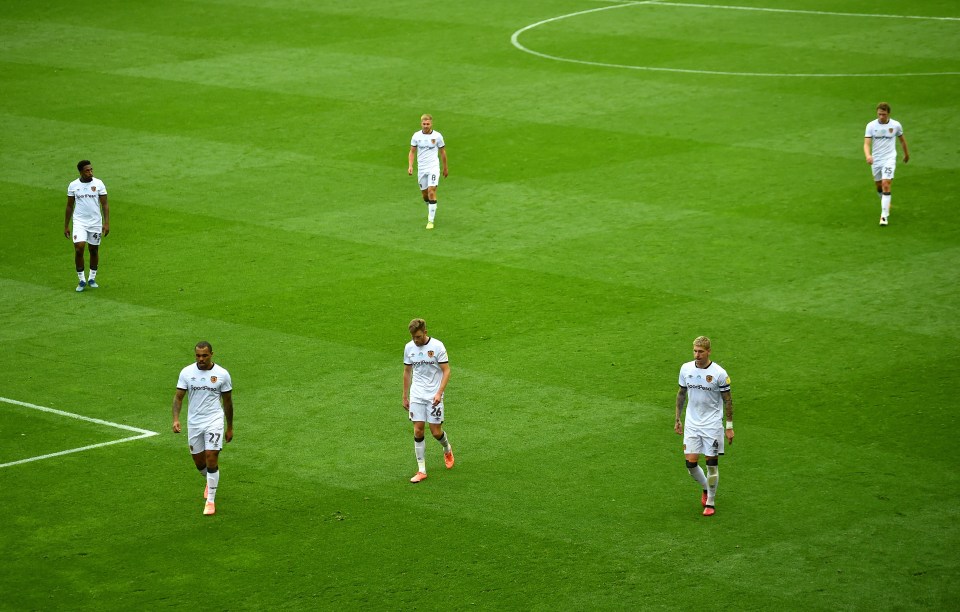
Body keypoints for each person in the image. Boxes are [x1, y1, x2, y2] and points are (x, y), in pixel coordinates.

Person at [172, 341, 234, 515]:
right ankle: (209, 480)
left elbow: (228, 402)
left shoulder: (222, 374)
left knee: (211, 457)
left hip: (214, 420)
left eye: (204, 355)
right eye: (198, 356)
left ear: (211, 354)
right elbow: (178, 398)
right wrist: (176, 419)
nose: (201, 359)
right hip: (194, 423)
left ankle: (211, 501)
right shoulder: (186, 372)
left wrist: (229, 427)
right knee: (199, 463)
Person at [674, 336, 734, 516]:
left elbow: (728, 401)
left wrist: (729, 426)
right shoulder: (686, 368)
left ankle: (711, 502)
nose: (697, 355)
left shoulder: (719, 373)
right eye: (694, 351)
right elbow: (681, 394)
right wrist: (678, 419)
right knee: (690, 464)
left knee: (711, 464)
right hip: (692, 423)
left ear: (709, 351)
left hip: (712, 425)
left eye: (700, 351)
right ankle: (706, 488)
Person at [402, 318, 454, 482]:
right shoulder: (409, 347)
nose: (415, 340)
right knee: (418, 430)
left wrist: (439, 393)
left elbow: (446, 371)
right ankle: (422, 470)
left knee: (435, 432)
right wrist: (405, 395)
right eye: (413, 337)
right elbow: (407, 372)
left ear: (425, 332)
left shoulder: (437, 346)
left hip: (434, 396)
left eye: (418, 336)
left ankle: (447, 448)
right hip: (417, 394)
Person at [64, 160, 110, 292]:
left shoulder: (98, 183)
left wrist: (106, 223)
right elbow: (69, 206)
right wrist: (66, 225)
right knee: (79, 248)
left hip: (95, 222)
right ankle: (81, 280)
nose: (90, 172)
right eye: (87, 171)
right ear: (81, 172)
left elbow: (105, 205)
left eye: (91, 170)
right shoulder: (73, 185)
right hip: (79, 222)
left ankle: (92, 278)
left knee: (94, 249)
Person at [864, 102, 909, 227]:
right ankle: (883, 197)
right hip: (876, 160)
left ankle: (884, 216)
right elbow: (866, 143)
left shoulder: (895, 125)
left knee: (886, 184)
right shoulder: (871, 126)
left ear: (888, 113)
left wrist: (906, 154)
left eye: (883, 114)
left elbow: (902, 141)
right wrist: (868, 155)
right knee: (878, 185)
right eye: (879, 114)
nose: (881, 117)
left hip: (889, 159)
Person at [407, 114, 448, 230]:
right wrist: (410, 165)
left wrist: (445, 168)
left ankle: (431, 220)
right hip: (422, 169)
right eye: (424, 124)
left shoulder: (437, 136)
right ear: (421, 124)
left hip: (433, 167)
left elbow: (443, 153)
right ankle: (431, 206)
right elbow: (412, 152)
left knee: (431, 191)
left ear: (431, 124)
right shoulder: (416, 136)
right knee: (425, 194)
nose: (426, 126)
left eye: (428, 124)